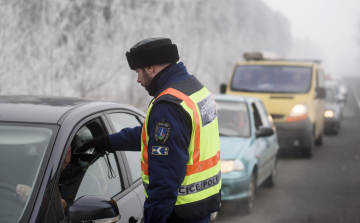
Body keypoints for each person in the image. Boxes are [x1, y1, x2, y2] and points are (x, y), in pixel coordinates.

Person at [79, 37, 221, 223]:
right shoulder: (194, 89)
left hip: (178, 214)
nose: (138, 79)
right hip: (202, 204)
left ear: (150, 68)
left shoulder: (169, 105)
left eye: (138, 71)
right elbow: (160, 137)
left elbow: (164, 181)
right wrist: (108, 142)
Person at [16, 145, 83, 212]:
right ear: (38, 148)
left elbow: (84, 213)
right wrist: (20, 194)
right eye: (58, 145)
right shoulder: (23, 170)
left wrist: (64, 206)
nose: (64, 148)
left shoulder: (84, 177)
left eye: (67, 145)